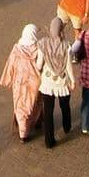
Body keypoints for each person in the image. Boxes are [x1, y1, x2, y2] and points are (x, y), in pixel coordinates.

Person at [35, 17, 77, 148]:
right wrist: (73, 81)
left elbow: (39, 64)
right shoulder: (66, 46)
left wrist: (39, 69)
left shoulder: (43, 44)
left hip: (47, 83)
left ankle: (49, 141)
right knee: (65, 106)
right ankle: (67, 126)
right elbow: (69, 66)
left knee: (48, 112)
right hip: (62, 82)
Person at [0, 25, 45, 143]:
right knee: (35, 103)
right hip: (35, 82)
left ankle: (23, 133)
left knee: (21, 106)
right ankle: (37, 121)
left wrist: (7, 80)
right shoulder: (39, 48)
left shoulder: (16, 49)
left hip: (19, 83)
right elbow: (40, 66)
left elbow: (10, 65)